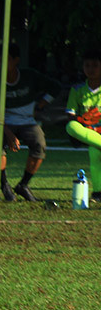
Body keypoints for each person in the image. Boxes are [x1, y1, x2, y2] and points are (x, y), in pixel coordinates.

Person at [0, 43, 61, 202]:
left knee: (39, 143)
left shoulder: (29, 76)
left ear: (16, 60)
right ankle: (4, 184)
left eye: (5, 60)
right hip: (3, 123)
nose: (1, 64)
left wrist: (40, 106)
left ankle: (23, 185)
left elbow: (55, 87)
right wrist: (9, 134)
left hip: (28, 122)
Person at [65, 48, 101, 199]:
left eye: (95, 65)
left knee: (95, 152)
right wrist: (84, 121)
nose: (91, 69)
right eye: (87, 65)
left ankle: (98, 192)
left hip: (97, 136)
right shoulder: (77, 89)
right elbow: (71, 116)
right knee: (70, 127)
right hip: (85, 131)